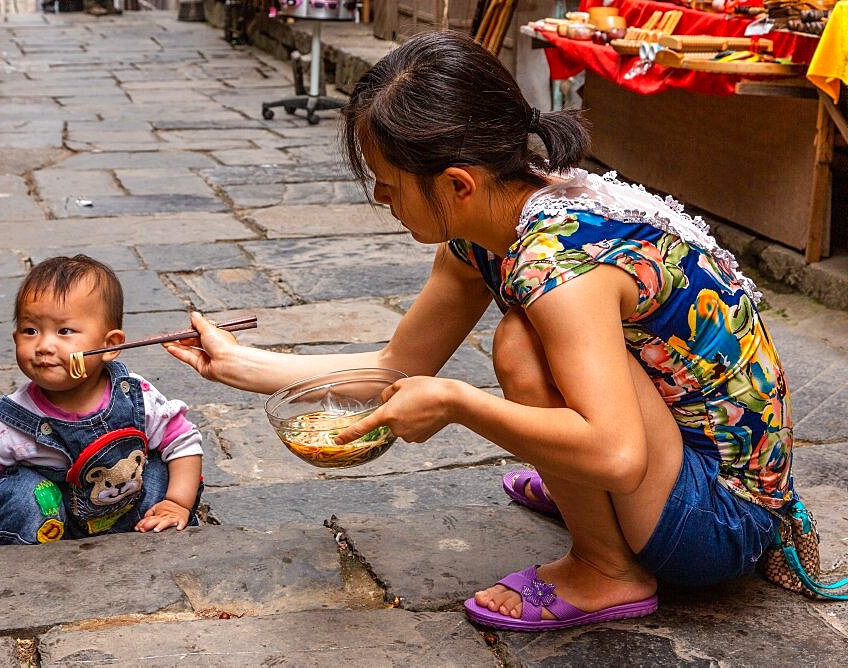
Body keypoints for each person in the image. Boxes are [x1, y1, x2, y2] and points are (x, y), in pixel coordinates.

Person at [162, 31, 796, 631]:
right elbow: (396, 366)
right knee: (533, 342)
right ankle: (593, 507)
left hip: (719, 521)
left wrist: (459, 403)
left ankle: (607, 570)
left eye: (388, 188)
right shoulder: (491, 226)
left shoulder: (558, 267)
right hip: (676, 469)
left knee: (521, 344)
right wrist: (238, 363)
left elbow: (617, 454)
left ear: (456, 184)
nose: (384, 203)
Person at [0, 255, 203, 549]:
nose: (43, 346)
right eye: (30, 331)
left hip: (128, 511)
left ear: (110, 345)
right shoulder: (13, 421)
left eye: (64, 331)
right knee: (20, 492)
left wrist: (177, 502)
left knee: (158, 471)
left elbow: (183, 442)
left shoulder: (135, 395)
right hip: (48, 528)